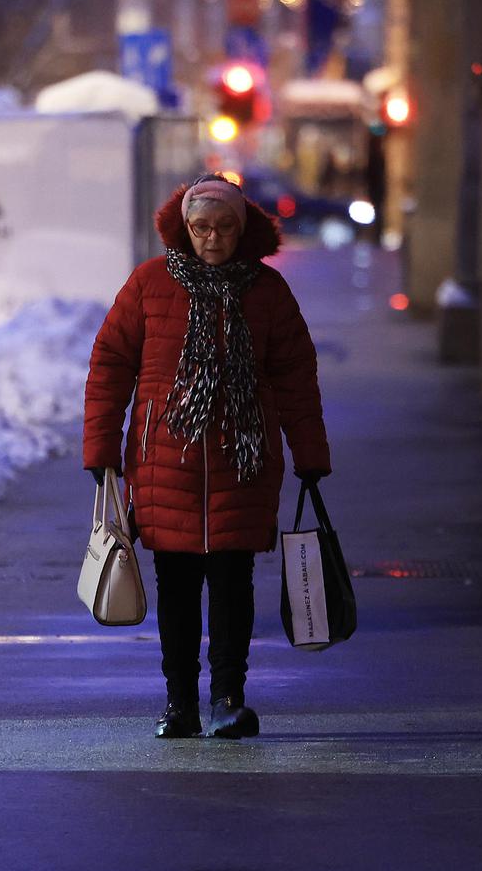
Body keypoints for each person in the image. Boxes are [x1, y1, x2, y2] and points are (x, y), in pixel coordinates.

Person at [84, 173, 331, 739]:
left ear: (241, 231)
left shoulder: (267, 292)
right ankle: (179, 704)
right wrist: (100, 451)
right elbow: (110, 368)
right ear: (184, 230)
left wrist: (310, 454)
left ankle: (227, 698)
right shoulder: (148, 285)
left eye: (222, 229)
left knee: (232, 584)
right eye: (201, 229)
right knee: (174, 588)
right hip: (163, 462)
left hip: (242, 465)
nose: (212, 240)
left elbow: (296, 378)